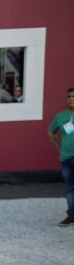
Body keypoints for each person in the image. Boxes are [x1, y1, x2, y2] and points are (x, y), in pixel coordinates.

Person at [47, 87, 74, 227]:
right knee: (70, 188)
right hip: (66, 159)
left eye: (73, 96)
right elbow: (51, 132)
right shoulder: (61, 116)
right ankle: (71, 215)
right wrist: (59, 148)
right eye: (68, 96)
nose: (71, 99)